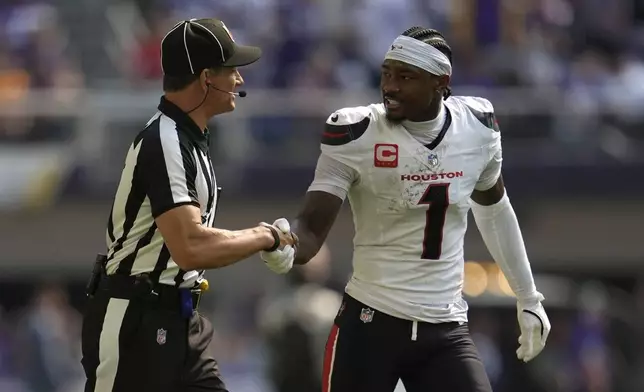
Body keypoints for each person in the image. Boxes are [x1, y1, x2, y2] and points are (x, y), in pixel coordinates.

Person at [260, 27, 551, 392]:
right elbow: (311, 228)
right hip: (370, 324)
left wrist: (527, 295)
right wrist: (284, 245)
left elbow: (494, 210)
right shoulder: (357, 132)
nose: (390, 87)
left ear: (440, 83)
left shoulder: (477, 126)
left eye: (405, 77)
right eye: (387, 74)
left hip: (444, 326)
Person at [80, 18, 296, 392]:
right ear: (206, 77)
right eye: (231, 70)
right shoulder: (165, 140)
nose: (239, 81)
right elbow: (191, 246)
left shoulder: (189, 138)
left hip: (179, 320)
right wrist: (265, 238)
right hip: (135, 321)